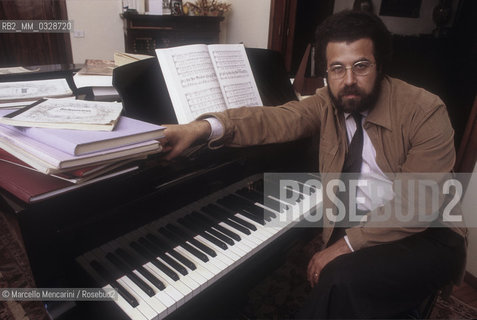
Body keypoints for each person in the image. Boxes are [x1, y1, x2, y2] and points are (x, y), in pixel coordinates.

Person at [161, 10, 467, 319]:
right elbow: (277, 118)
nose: (349, 80)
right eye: (337, 69)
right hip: (362, 219)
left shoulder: (425, 110)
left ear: (380, 65)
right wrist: (201, 129)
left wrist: (346, 244)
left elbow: (419, 205)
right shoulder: (326, 103)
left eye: (361, 66)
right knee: (340, 276)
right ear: (326, 73)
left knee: (339, 277)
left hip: (429, 234)